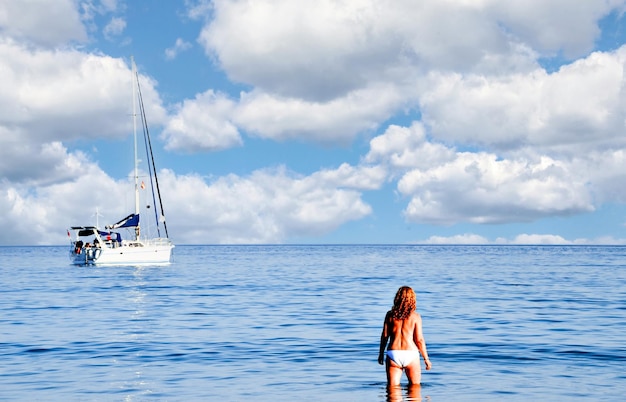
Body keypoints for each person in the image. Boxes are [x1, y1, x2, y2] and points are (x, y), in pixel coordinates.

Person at [378, 286, 432, 385]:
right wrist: (426, 358)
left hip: (393, 353)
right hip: (411, 354)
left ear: (397, 298)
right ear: (412, 299)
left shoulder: (390, 315)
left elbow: (385, 336)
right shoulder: (416, 317)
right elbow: (419, 340)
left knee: (392, 392)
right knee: (414, 391)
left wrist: (381, 353)